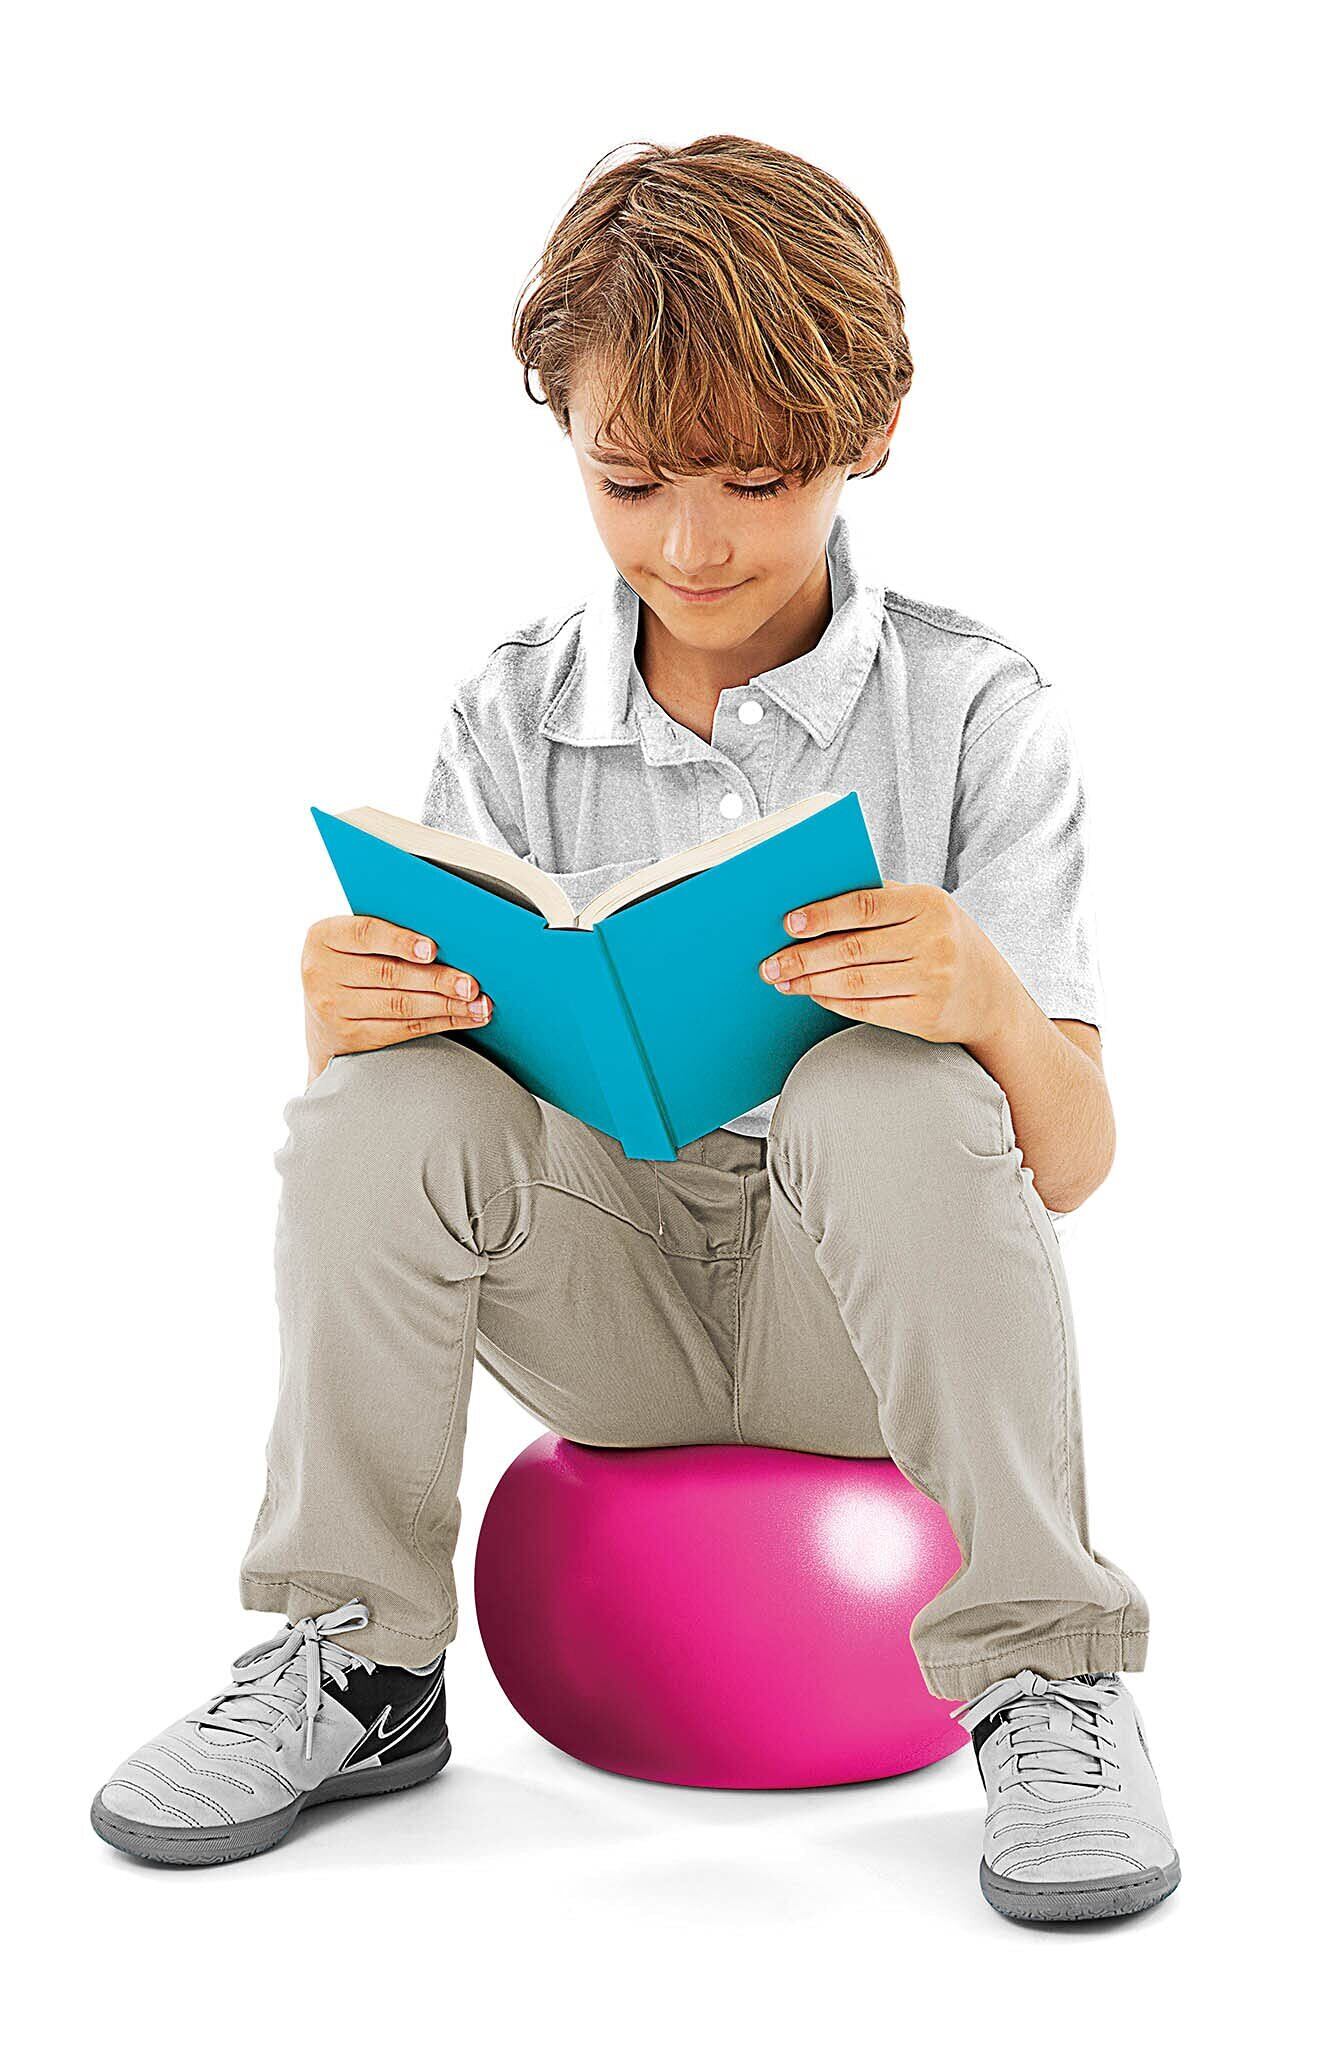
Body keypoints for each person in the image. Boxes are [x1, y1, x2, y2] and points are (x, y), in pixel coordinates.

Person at [90, 133, 1180, 1923]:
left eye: (757, 479)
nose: (691, 543)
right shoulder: (510, 712)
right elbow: (424, 1149)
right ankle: (354, 1660)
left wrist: (982, 998)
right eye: (630, 479)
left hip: (859, 1324)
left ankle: (1049, 1677)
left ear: (868, 431)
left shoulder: (980, 713)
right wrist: (353, 1027)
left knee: (890, 1091)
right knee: (375, 1107)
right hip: (607, 1299)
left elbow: (1074, 1163)